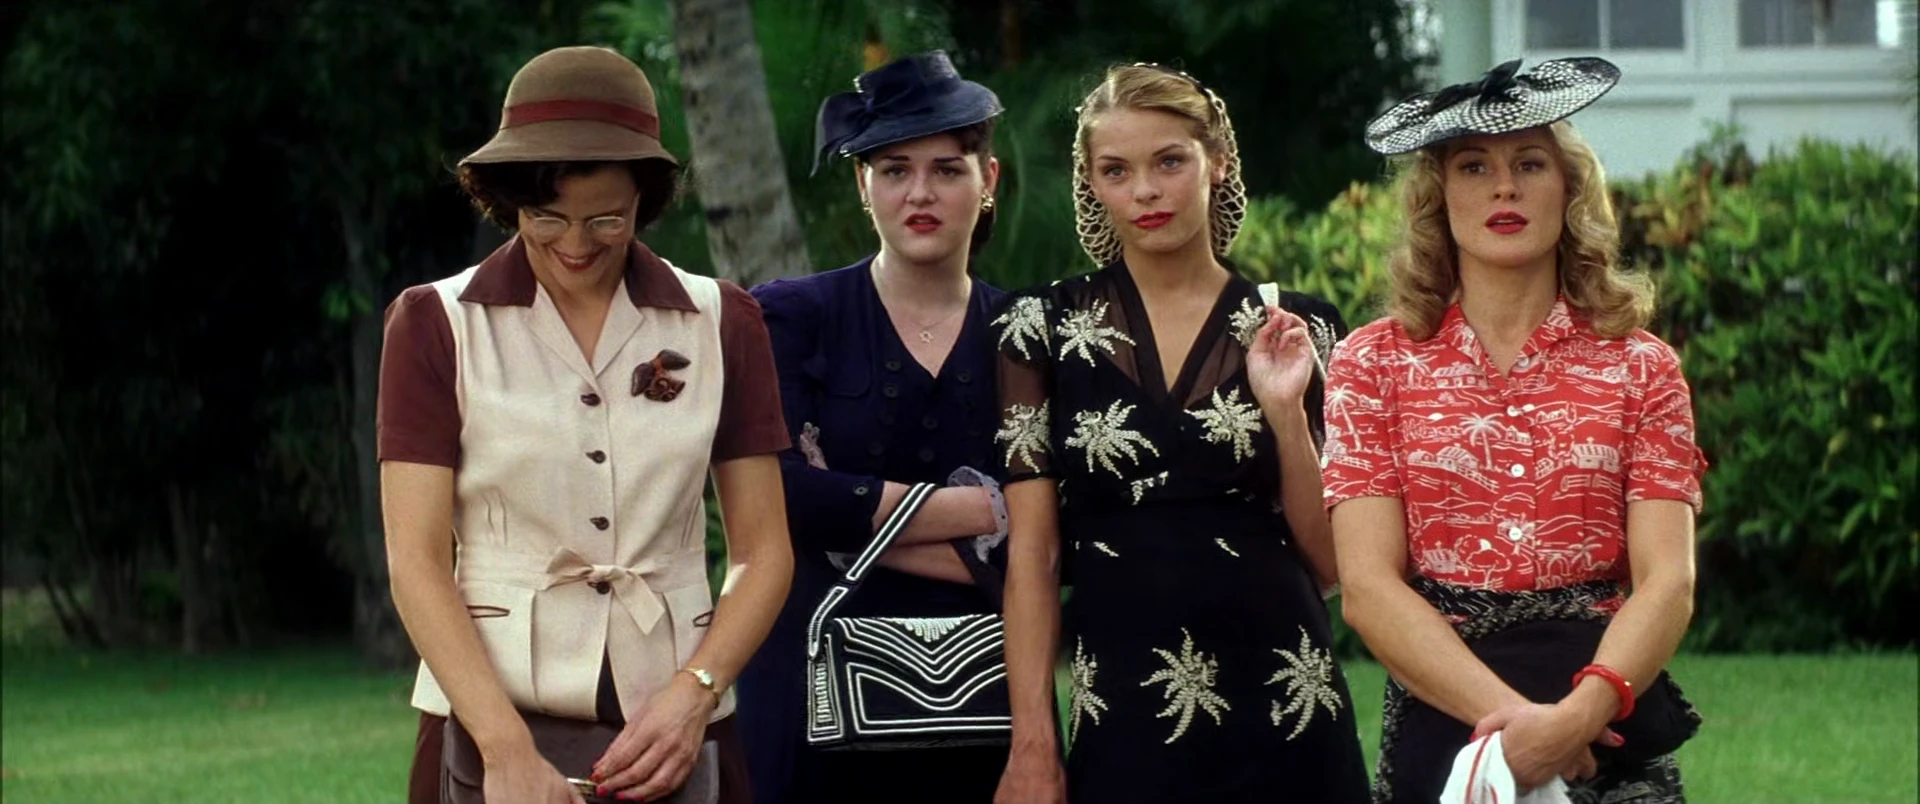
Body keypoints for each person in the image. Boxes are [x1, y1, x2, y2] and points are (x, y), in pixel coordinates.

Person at [377, 45, 793, 804]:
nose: (575, 245)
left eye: (607, 219)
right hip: (484, 728)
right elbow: (417, 562)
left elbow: (763, 553)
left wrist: (694, 695)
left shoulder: (722, 321)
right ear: (509, 201)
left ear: (645, 198)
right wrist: (504, 749)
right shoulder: (434, 324)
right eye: (548, 217)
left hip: (677, 730)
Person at [1325, 58, 1706, 803]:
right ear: (1439, 197)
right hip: (1446, 718)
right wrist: (1519, 731)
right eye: (1474, 167)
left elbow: (1669, 581)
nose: (1504, 187)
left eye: (1529, 163)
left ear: (1570, 189)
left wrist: (1577, 718)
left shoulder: (1642, 367)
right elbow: (1367, 588)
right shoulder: (1371, 363)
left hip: (1606, 722)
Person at [990, 63, 1372, 803]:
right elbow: (1033, 554)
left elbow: (1332, 563)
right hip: (1123, 703)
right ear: (1091, 183)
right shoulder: (1037, 329)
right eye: (1116, 170)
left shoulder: (1301, 327)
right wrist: (1033, 741)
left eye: (1169, 161)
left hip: (1286, 696)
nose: (1145, 191)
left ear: (1217, 160)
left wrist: (1285, 414)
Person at [733, 51, 1013, 804]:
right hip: (810, 691)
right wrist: (990, 509)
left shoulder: (1027, 334)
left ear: (988, 179)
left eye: (947, 169)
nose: (920, 193)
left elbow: (1062, 536)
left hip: (984, 701)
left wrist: (845, 519)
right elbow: (780, 498)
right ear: (863, 184)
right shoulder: (792, 315)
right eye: (894, 170)